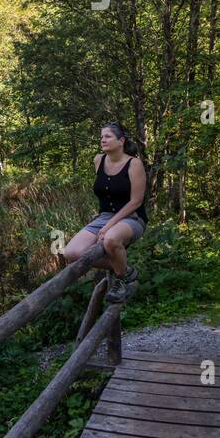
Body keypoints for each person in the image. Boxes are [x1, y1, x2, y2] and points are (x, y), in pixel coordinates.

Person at [61, 122, 148, 303]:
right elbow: (105, 193)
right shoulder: (98, 160)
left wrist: (109, 226)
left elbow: (136, 201)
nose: (103, 140)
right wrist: (104, 222)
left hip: (131, 217)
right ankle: (126, 270)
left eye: (107, 136)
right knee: (71, 253)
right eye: (101, 137)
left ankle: (121, 281)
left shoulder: (134, 164)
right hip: (103, 217)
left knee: (110, 239)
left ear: (121, 141)